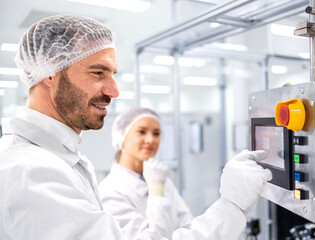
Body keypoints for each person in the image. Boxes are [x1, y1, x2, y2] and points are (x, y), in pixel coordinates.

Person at [0, 14, 272, 240]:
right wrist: (232, 206)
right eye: (98, 73)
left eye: (113, 75)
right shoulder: (30, 173)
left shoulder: (58, 158)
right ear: (49, 71)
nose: (114, 90)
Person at [98, 108, 193, 239]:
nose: (150, 140)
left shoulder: (161, 180)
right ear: (122, 136)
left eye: (156, 133)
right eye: (141, 132)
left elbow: (187, 226)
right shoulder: (110, 192)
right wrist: (157, 193)